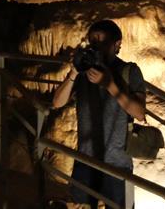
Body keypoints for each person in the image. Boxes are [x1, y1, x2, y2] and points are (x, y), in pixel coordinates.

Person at [51, 20, 147, 209]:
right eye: (92, 42)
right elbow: (57, 103)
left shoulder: (129, 71)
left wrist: (110, 85)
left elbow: (139, 113)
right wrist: (74, 71)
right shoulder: (84, 72)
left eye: (102, 42)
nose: (96, 47)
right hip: (85, 160)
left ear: (117, 44)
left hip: (117, 163)